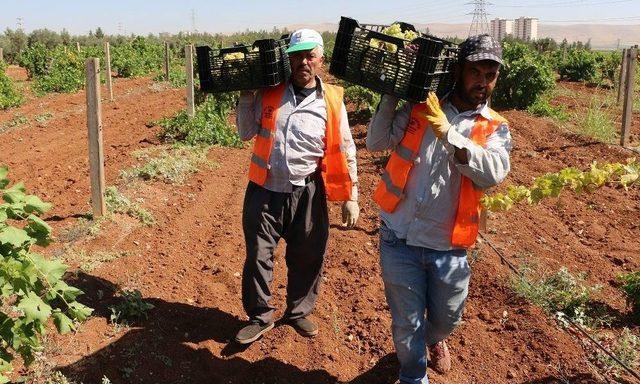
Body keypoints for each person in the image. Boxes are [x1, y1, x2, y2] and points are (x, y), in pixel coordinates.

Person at [366, 34, 512, 383]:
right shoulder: (422, 106)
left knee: (447, 318)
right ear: (458, 71)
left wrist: (448, 134)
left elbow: (492, 173)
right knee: (406, 322)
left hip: (448, 244)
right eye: (475, 71)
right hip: (399, 234)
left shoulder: (494, 127)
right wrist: (390, 94)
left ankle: (434, 339)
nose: (482, 81)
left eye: (489, 74)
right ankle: (413, 375)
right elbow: (375, 142)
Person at [234, 28, 360, 344]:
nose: (303, 61)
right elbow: (245, 132)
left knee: (308, 255)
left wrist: (351, 195)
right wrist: (246, 94)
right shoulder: (270, 91)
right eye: (297, 55)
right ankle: (260, 316)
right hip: (265, 189)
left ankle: (298, 312)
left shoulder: (332, 99)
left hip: (309, 191)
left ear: (321, 59)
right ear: (289, 58)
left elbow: (346, 146)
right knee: (259, 256)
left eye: (310, 55)